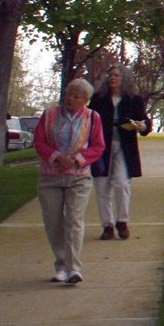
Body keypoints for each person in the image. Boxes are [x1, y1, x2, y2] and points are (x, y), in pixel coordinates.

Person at [32, 78, 105, 285]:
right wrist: (57, 156)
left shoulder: (93, 118)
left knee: (74, 220)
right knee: (54, 222)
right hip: (50, 177)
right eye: (69, 94)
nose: (70, 99)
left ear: (85, 100)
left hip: (78, 177)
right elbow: (39, 142)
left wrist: (75, 160)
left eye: (76, 96)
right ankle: (61, 265)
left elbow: (98, 146)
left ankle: (74, 268)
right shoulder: (49, 115)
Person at [88, 65, 153, 240]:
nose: (112, 78)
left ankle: (122, 221)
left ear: (124, 78)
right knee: (102, 187)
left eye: (116, 75)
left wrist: (142, 126)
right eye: (110, 75)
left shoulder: (134, 100)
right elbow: (89, 122)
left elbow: (144, 122)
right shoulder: (98, 99)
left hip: (124, 147)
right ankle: (107, 225)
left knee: (122, 183)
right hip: (102, 148)